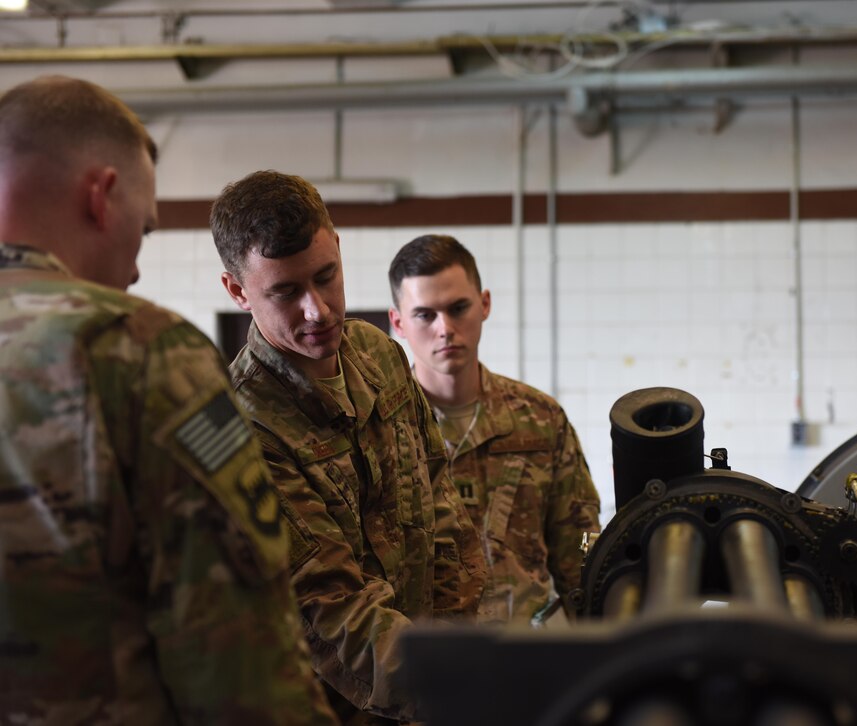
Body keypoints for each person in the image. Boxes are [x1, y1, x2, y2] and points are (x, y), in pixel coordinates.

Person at [0, 77, 337, 724]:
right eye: (145, 230)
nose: (133, 270)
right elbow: (238, 655)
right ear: (100, 196)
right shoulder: (138, 349)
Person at [211, 171, 486, 724]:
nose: (318, 311)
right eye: (286, 292)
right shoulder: (243, 430)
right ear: (237, 291)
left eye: (326, 277)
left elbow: (441, 503)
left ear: (337, 246)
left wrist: (459, 646)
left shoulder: (376, 355)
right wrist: (456, 686)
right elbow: (330, 610)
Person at [388, 235, 601, 625]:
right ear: (398, 322)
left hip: (524, 660)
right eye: (425, 315)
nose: (445, 328)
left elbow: (581, 558)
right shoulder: (383, 429)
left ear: (484, 304)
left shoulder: (539, 419)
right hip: (420, 666)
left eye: (458, 308)